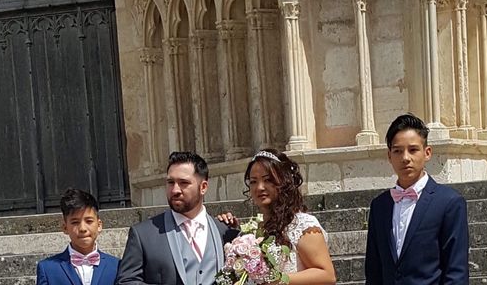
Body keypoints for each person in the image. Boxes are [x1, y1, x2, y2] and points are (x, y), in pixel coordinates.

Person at [364, 113, 469, 284]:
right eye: (397, 151)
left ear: (427, 153)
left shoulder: (449, 203)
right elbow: (374, 270)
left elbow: (456, 271)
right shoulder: (379, 206)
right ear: (389, 156)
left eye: (413, 150)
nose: (405, 158)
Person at [115, 151, 238, 284]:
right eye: (170, 182)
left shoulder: (226, 232)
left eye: (183, 183)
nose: (175, 190)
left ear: (203, 187)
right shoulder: (143, 234)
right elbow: (126, 281)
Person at [221, 149, 336, 284]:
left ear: (283, 181)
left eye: (268, 180)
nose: (260, 187)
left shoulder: (302, 225)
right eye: (253, 181)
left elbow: (327, 275)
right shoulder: (249, 233)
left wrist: (276, 280)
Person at [36, 188, 119, 285]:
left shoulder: (117, 266)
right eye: (75, 222)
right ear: (65, 227)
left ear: (99, 225)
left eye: (89, 221)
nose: (83, 228)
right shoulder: (48, 269)